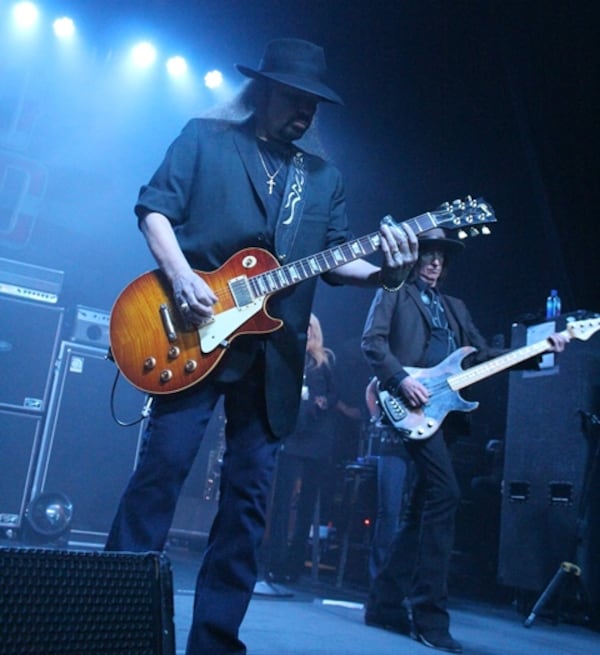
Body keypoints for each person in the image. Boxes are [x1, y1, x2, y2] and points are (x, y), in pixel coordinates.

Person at [104, 38, 417, 655]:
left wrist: (388, 269)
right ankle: (111, 621)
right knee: (160, 477)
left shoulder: (322, 177)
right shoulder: (205, 138)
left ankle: (214, 642)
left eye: (314, 103)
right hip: (191, 331)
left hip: (272, 357)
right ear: (264, 89)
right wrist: (184, 277)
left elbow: (338, 260)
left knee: (247, 507)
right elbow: (154, 210)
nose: (305, 111)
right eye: (295, 97)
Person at [360, 227, 568, 653]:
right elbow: (372, 343)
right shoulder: (395, 290)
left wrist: (541, 346)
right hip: (411, 402)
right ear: (415, 257)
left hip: (446, 413)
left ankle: (383, 603)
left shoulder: (455, 307)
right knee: (446, 493)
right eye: (428, 255)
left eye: (441, 257)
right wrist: (401, 380)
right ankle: (430, 616)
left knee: (423, 510)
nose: (435, 263)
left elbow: (484, 356)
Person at [265, 313, 360, 585]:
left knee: (307, 502)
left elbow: (336, 394)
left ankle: (295, 564)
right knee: (282, 502)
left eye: (310, 327)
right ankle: (276, 561)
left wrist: (324, 402)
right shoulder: (290, 356)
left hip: (318, 438)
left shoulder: (325, 359)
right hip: (293, 435)